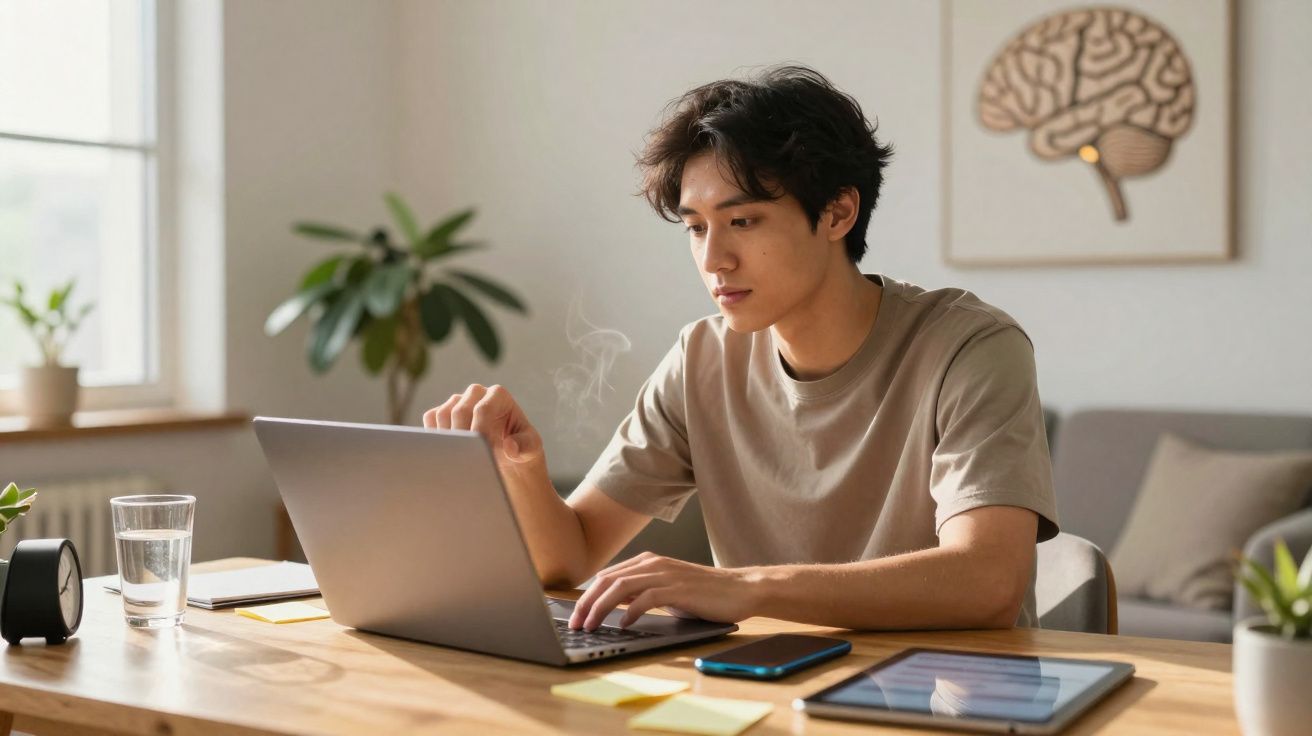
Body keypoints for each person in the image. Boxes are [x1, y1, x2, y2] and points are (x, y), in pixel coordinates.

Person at [424, 65, 1059, 633]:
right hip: (761, 689)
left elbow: (988, 582)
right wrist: (519, 471)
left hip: (948, 696)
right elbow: (570, 554)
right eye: (695, 228)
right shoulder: (702, 358)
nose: (712, 259)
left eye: (743, 221)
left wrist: (744, 587)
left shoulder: (969, 346)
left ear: (837, 214)